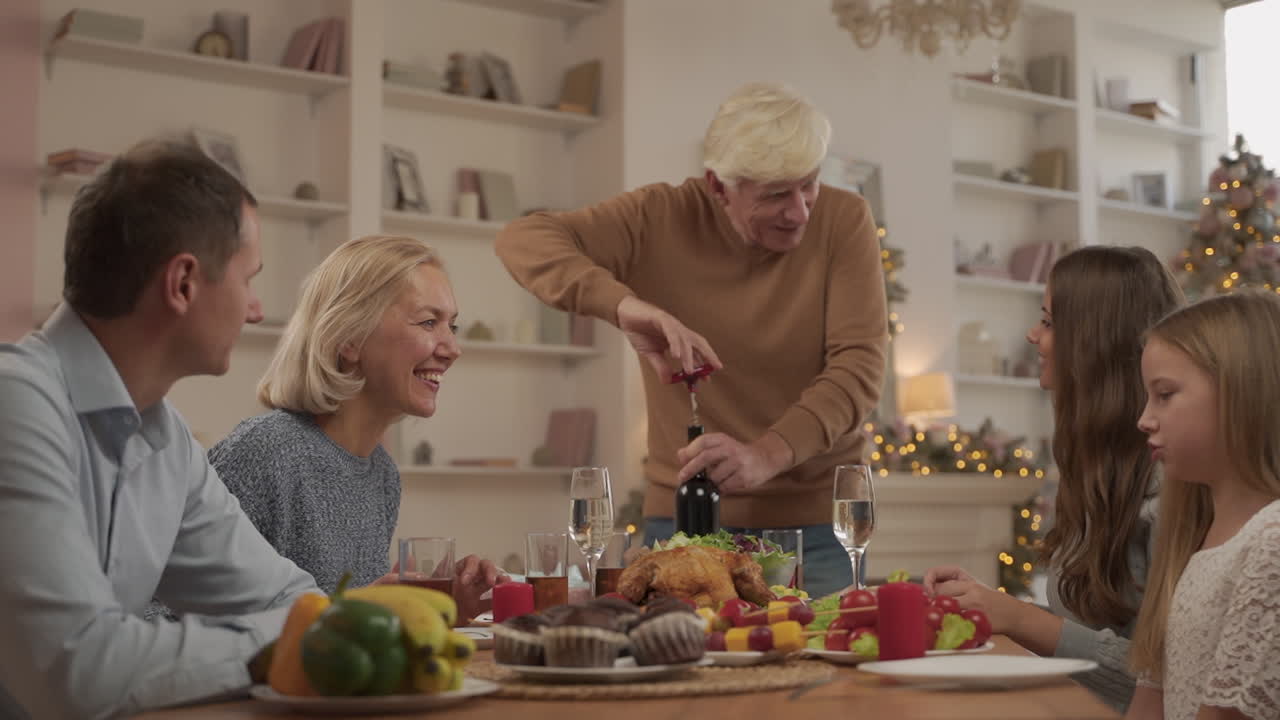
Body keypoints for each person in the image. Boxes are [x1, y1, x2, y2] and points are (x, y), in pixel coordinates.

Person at [495, 82, 888, 599]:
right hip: (685, 524)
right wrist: (626, 306)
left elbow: (858, 367)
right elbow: (522, 240)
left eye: (808, 185)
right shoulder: (660, 216)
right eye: (775, 195)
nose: (800, 212)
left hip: (815, 532)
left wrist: (766, 454)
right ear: (718, 186)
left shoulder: (845, 219)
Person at [0, 139, 318, 719]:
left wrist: (303, 632)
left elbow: (290, 600)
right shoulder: (13, 405)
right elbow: (78, 672)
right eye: (249, 279)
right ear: (184, 283)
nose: (255, 308)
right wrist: (287, 642)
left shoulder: (167, 439)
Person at [925, 246, 1184, 713]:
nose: (1032, 335)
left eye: (1048, 322)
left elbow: (1172, 685)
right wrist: (990, 605)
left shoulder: (1172, 486)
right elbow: (1091, 636)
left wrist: (1019, 618)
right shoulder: (1096, 467)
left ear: (1093, 343)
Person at [210, 235, 504, 621]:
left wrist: (443, 611)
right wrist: (352, 611)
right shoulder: (264, 452)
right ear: (350, 338)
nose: (451, 347)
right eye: (429, 322)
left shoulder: (381, 475)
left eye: (453, 325)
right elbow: (160, 617)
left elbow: (355, 635)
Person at [1127, 291, 1280, 720]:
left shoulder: (1271, 545)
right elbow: (1150, 702)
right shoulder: (1191, 538)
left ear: (1241, 392)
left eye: (1164, 394)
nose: (1144, 418)